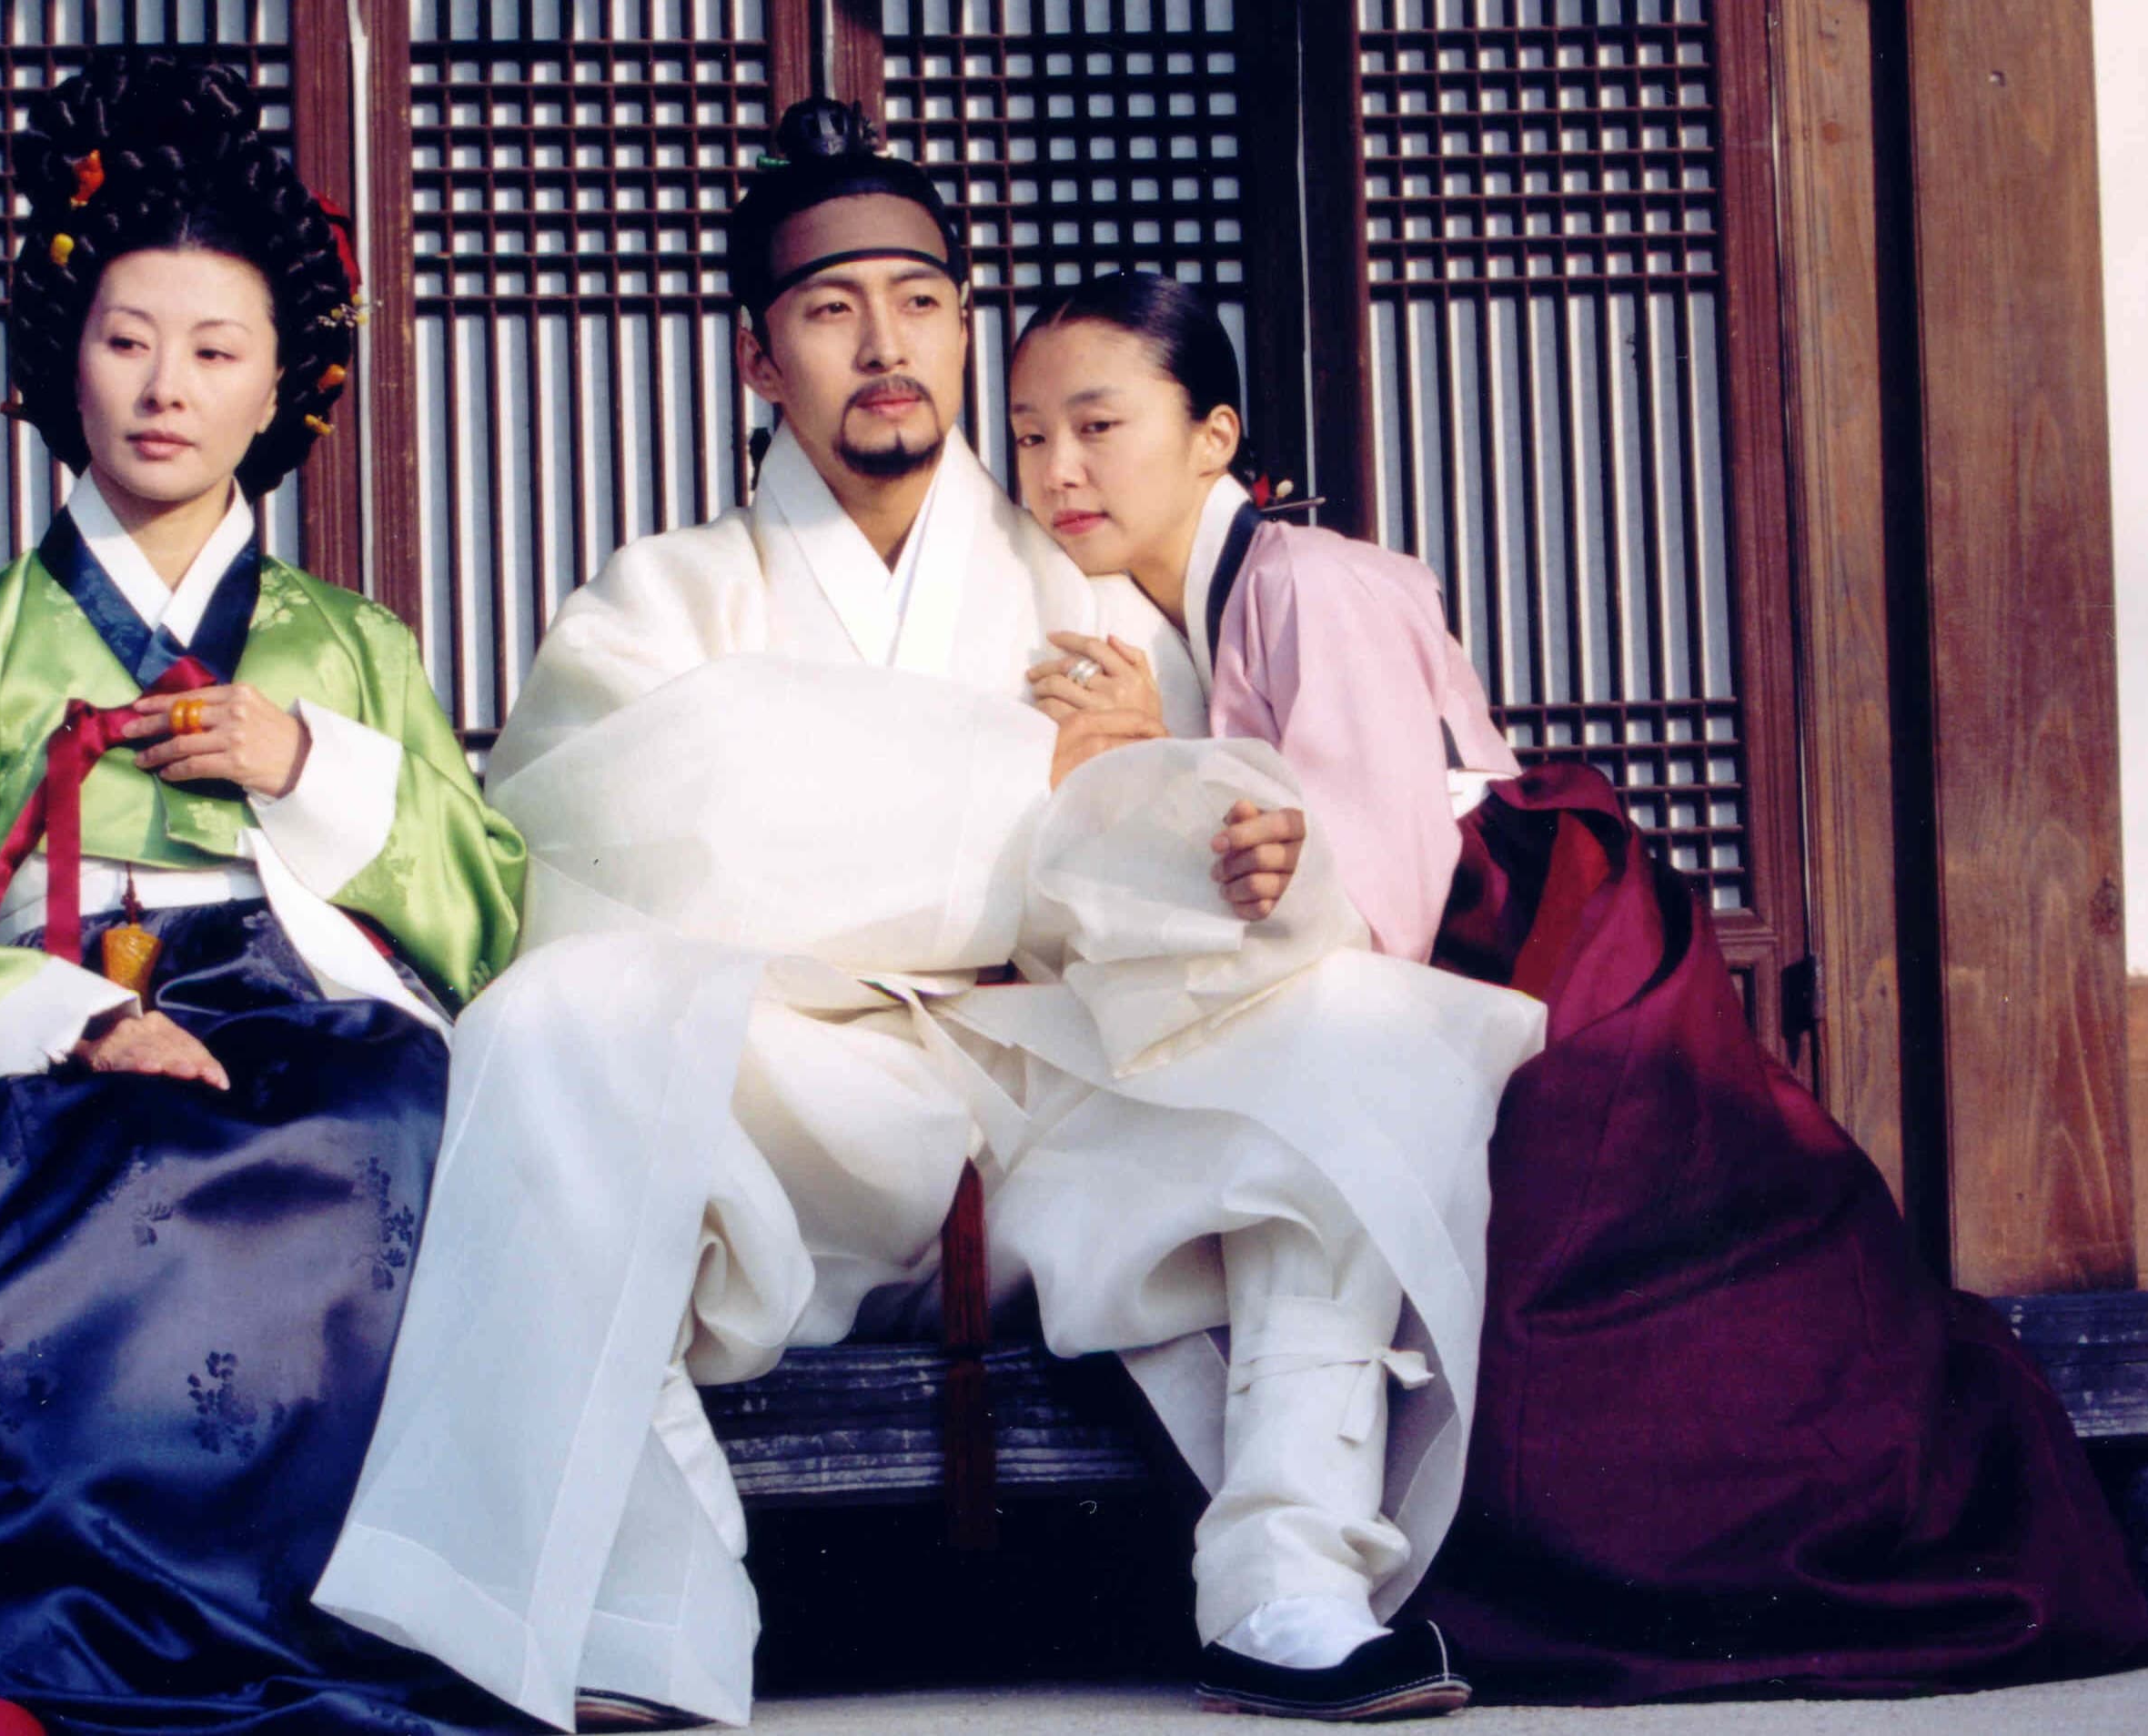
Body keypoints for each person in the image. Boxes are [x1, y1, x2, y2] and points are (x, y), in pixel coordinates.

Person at [315, 102, 1548, 1730]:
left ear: (964, 329)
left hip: (1045, 1102)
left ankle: (1289, 1583)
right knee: (553, 1021)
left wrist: (1200, 822)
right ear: (760, 362)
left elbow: (1168, 911)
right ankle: (647, 1601)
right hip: (794, 1107)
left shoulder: (1088, 588)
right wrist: (1024, 779)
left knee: (1359, 1029)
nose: (885, 344)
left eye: (919, 301)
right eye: (831, 310)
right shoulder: (661, 598)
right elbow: (618, 847)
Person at [1002, 269, 2148, 1702]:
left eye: (1099, 426)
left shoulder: (1308, 581)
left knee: (1588, 1301)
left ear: (1213, 436)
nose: (1059, 470)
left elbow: (1379, 875)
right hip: (1455, 928)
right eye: (1030, 435)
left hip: (1514, 929)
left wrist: (1176, 787)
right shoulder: (1179, 606)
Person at [0, 56, 527, 1736]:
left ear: (279, 385)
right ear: (63, 363)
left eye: (216, 352)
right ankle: (21, 1665)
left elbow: (481, 908)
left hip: (306, 1020)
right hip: (58, 1032)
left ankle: (257, 1644)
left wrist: (308, 764)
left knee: (378, 1123)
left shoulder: (351, 648)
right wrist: (83, 1019)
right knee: (97, 1171)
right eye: (127, 341)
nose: (167, 389)